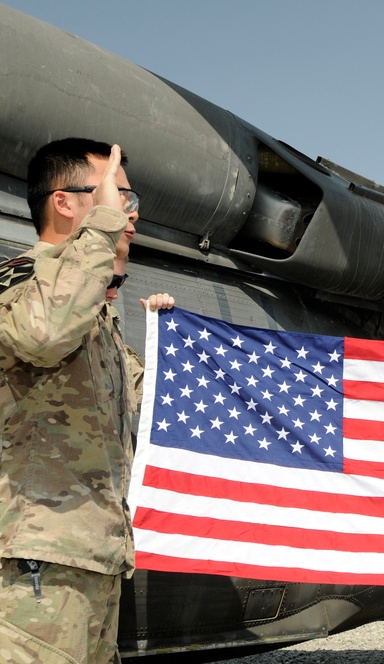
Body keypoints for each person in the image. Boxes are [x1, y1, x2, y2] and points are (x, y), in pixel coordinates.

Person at [0, 138, 174, 663]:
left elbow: (146, 411)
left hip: (95, 560)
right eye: (117, 194)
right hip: (39, 560)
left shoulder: (97, 314)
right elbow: (43, 336)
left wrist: (168, 343)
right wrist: (103, 227)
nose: (129, 211)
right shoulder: (20, 278)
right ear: (65, 201)